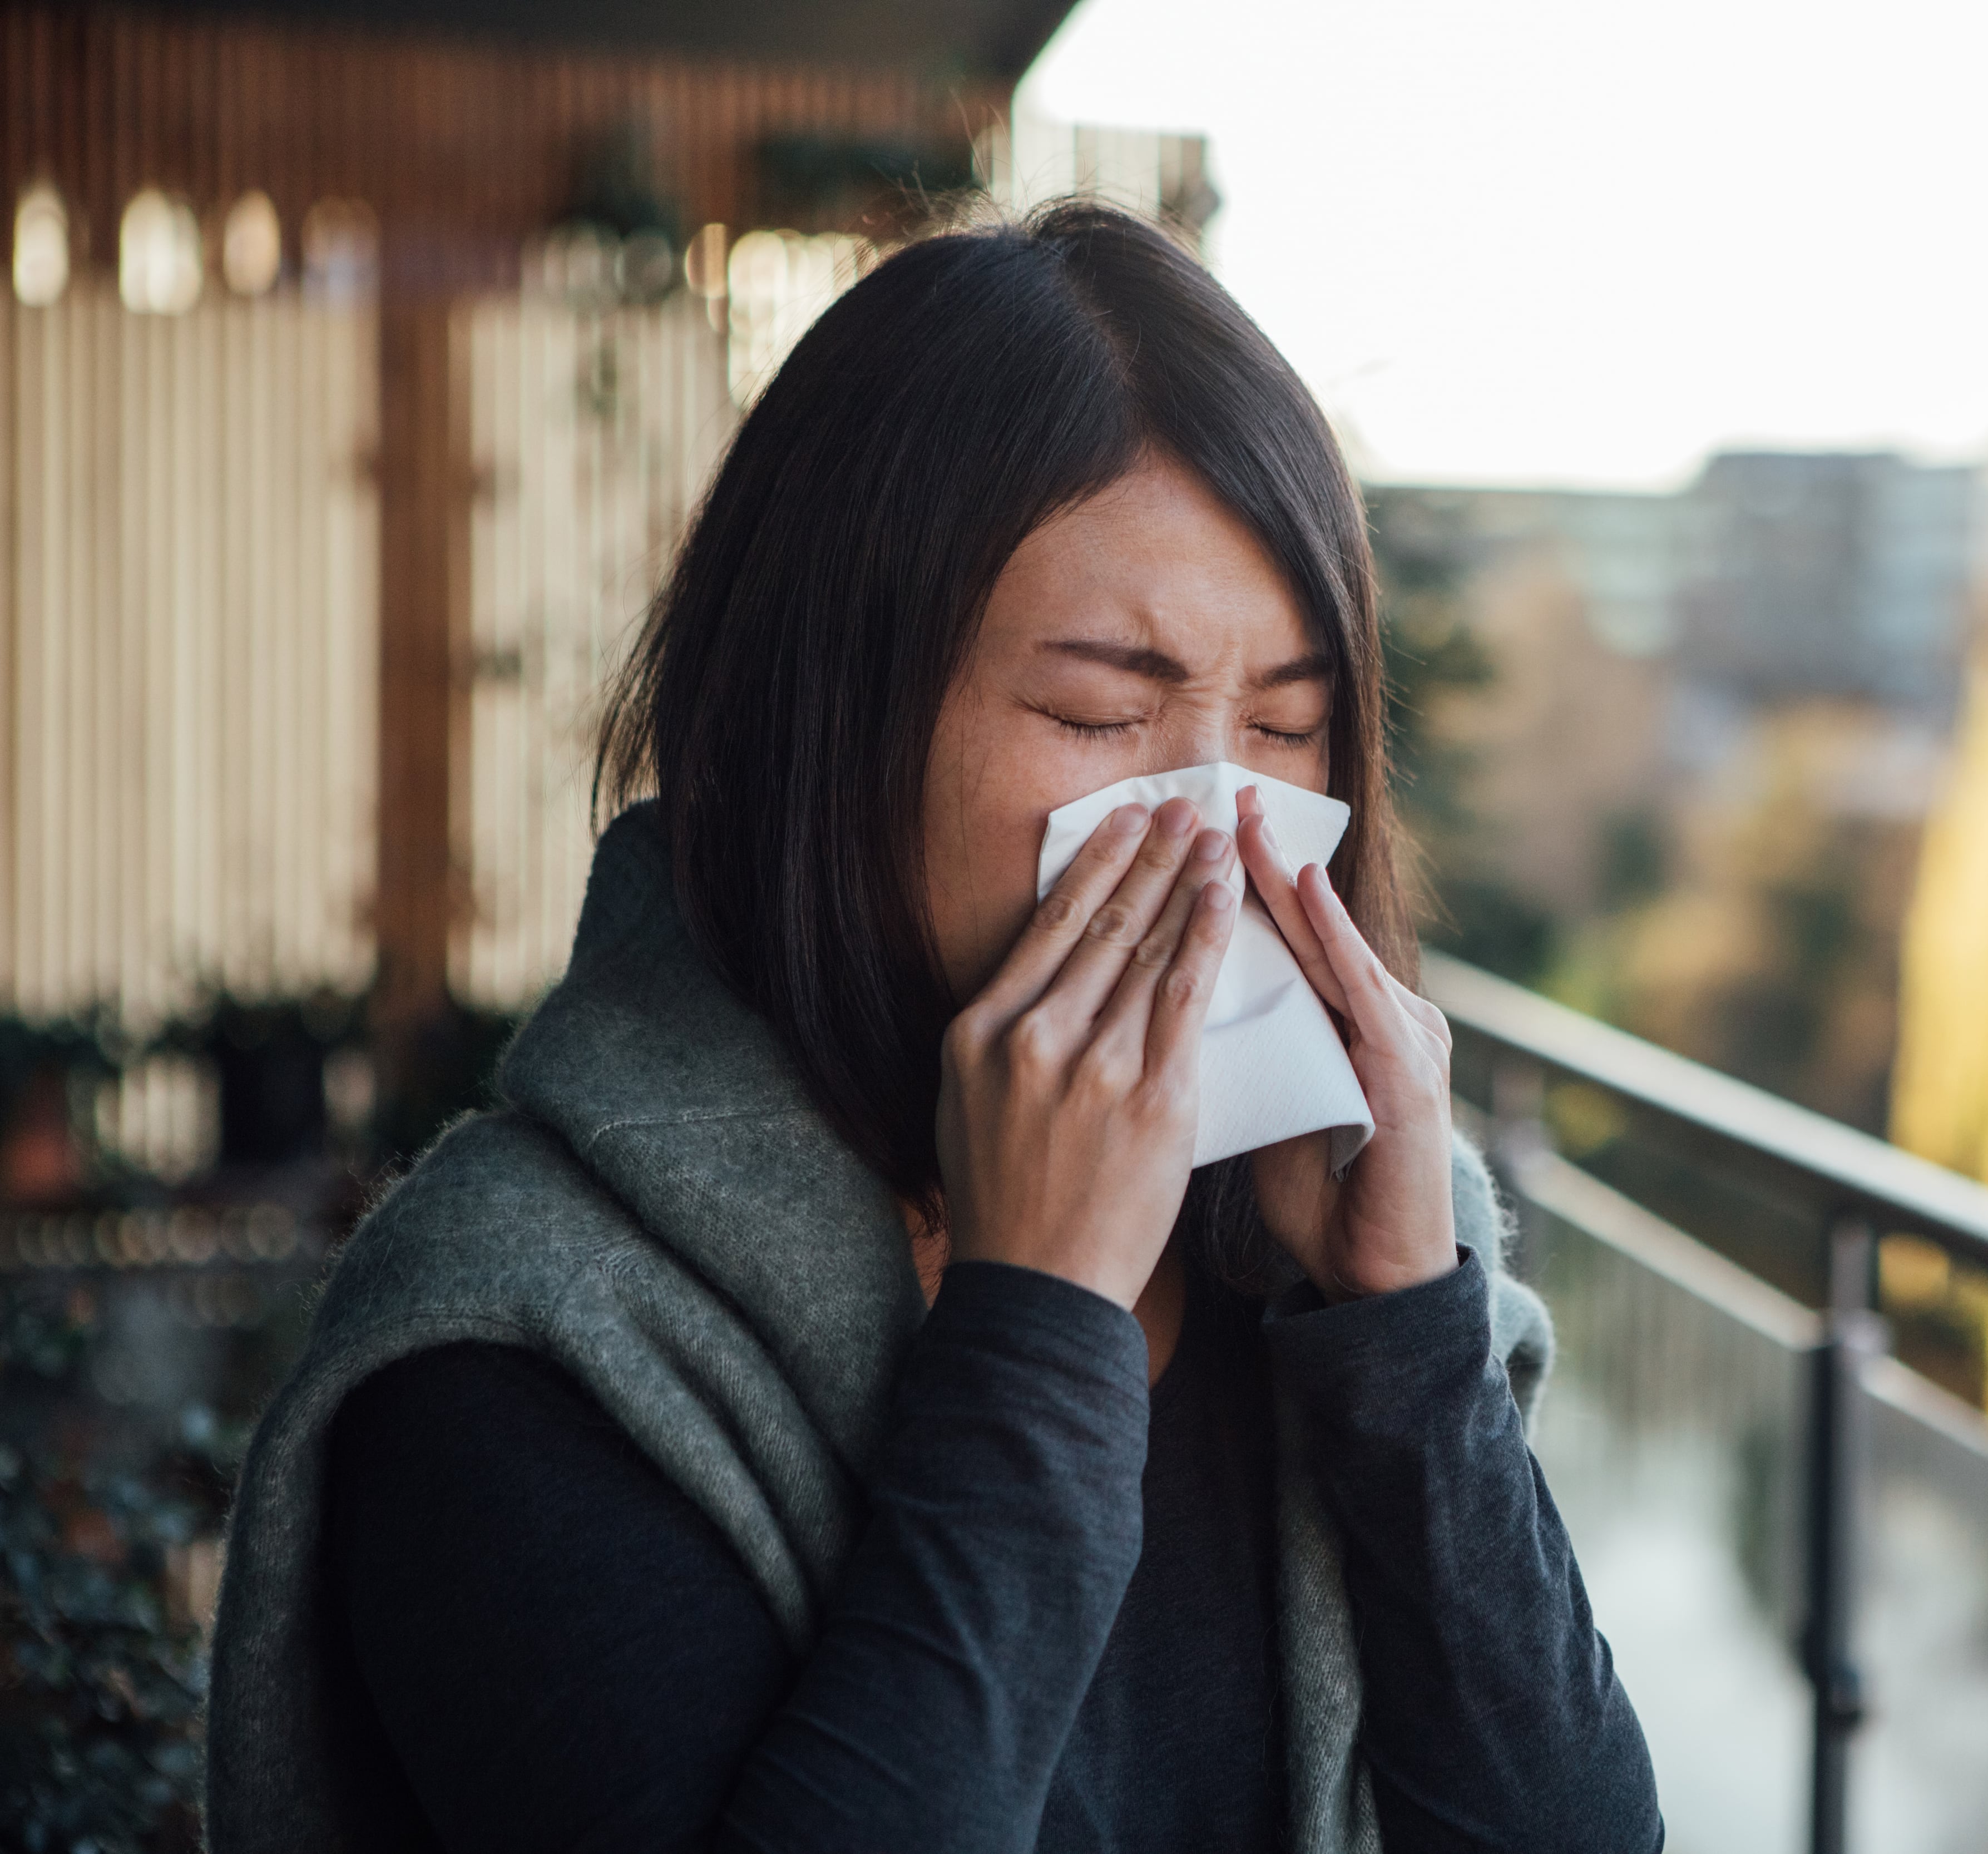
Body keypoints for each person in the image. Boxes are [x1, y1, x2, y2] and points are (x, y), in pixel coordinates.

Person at [202, 201, 1662, 1854]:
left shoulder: (1342, 1237)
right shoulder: (526, 1343)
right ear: (827, 717)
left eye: (1286, 725)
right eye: (1101, 716)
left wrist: (1411, 1346)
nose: (1217, 830)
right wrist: (1036, 1323)